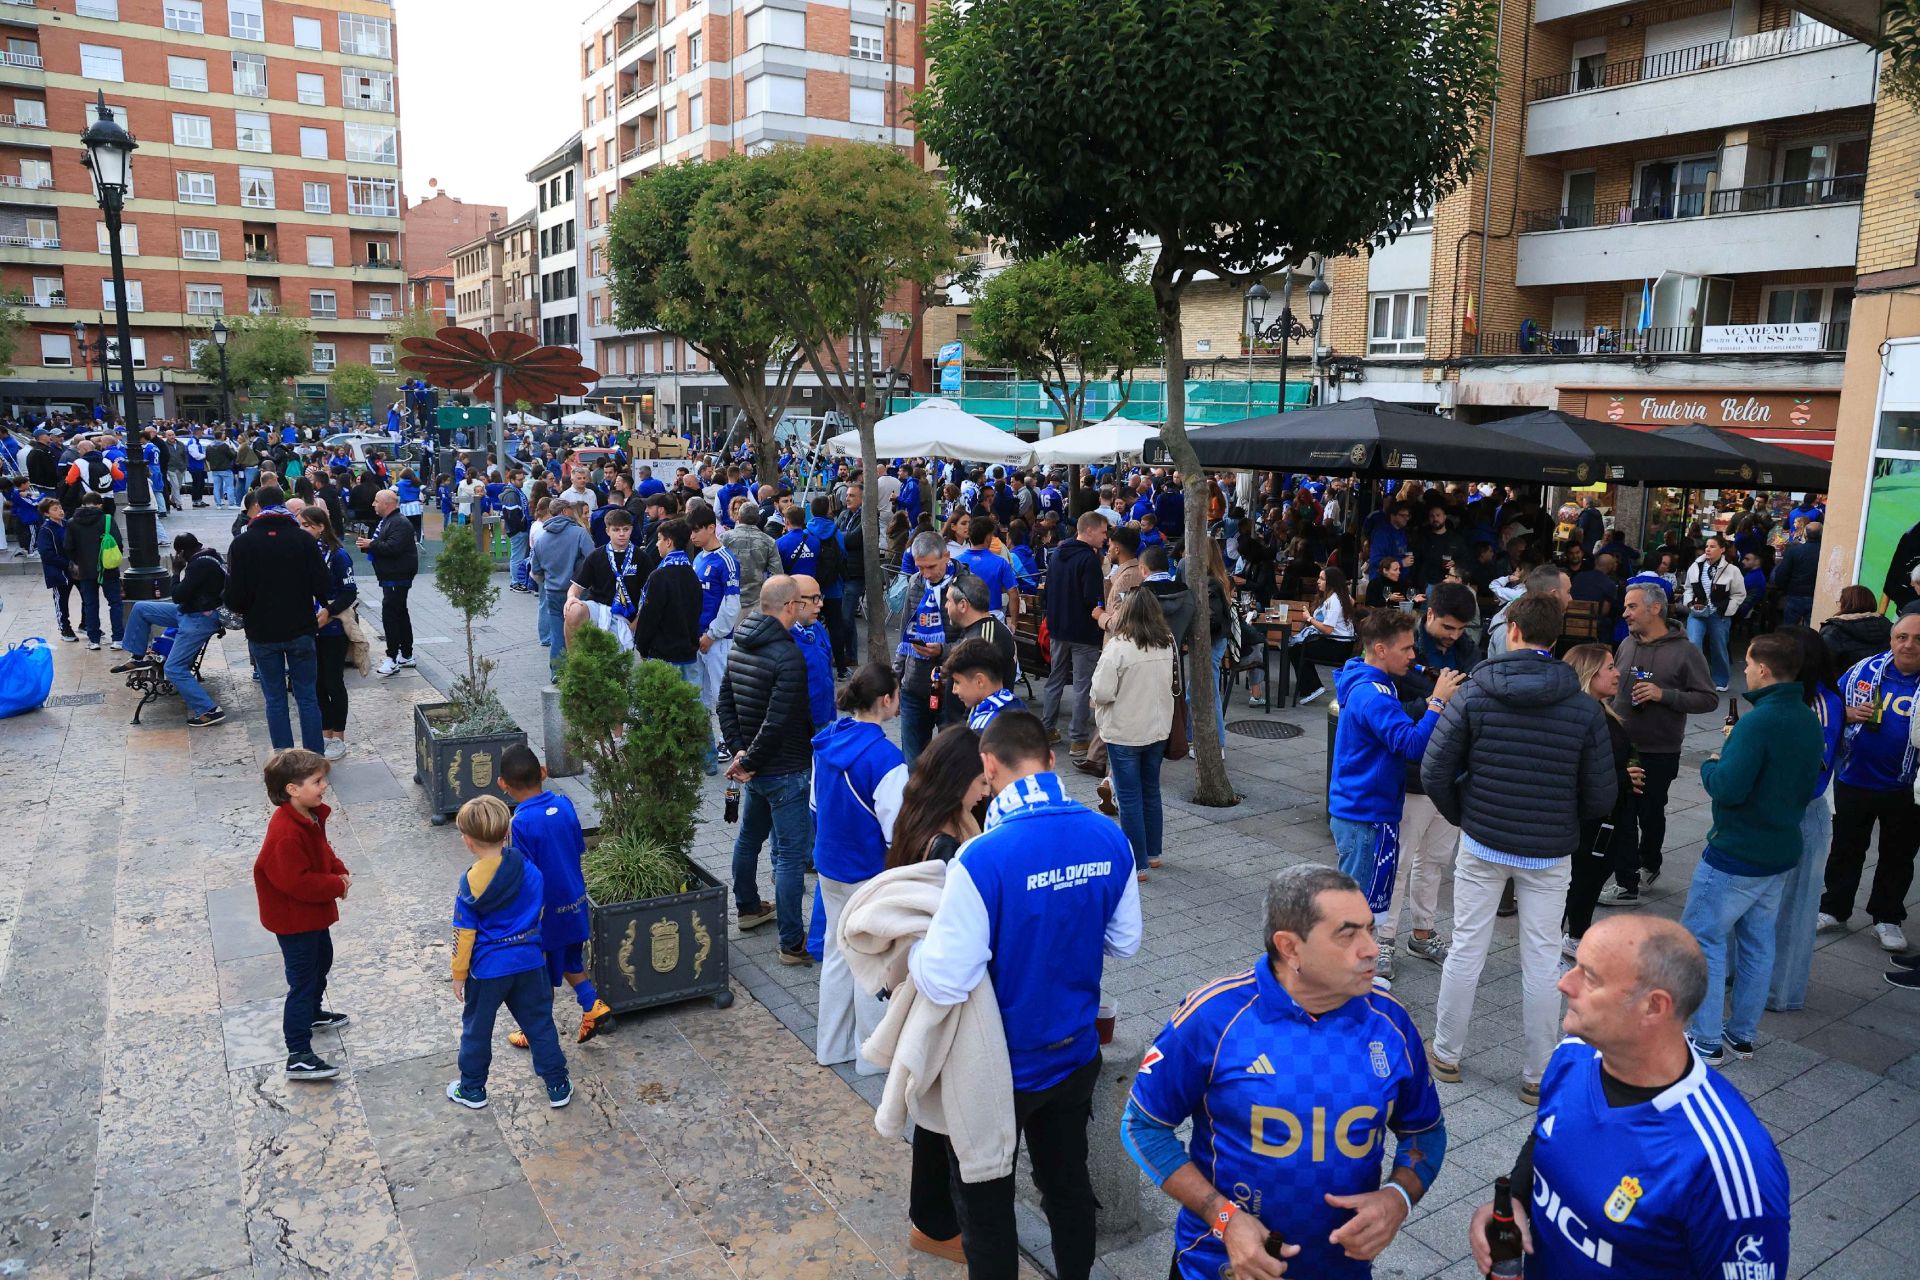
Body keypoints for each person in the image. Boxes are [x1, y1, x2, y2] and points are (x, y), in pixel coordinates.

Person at [1122, 864, 1446, 1280]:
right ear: (1290, 947)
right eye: (1348, 934)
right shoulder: (1213, 1018)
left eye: (1370, 928)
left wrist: (1398, 1197)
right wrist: (1225, 1219)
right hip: (1218, 1269)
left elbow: (1426, 1131)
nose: (1371, 948)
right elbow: (1143, 1127)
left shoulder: (1392, 1023)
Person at [908, 711, 1140, 1280]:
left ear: (989, 768)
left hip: (996, 1071)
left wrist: (914, 950)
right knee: (1067, 1188)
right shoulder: (1110, 836)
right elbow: (1126, 942)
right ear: (1052, 760)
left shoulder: (982, 858)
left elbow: (944, 978)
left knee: (986, 1206)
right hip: (1076, 1055)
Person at [1466, 916, 1789, 1280]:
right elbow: (1546, 1134)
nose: (1563, 984)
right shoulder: (1574, 1054)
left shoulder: (1725, 1163)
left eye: (1589, 977)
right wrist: (1517, 1199)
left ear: (1654, 1006)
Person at [1423, 594, 1616, 1101]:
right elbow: (1601, 795)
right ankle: (1536, 1075)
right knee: (1543, 958)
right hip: (1550, 851)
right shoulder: (1583, 708)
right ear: (1557, 641)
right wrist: (1561, 820)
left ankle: (1446, 1053)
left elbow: (1435, 769)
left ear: (1512, 630)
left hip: (1484, 840)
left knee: (1466, 946)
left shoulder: (1474, 693)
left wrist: (1467, 816)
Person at [1677, 632, 1823, 1064]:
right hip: (1778, 850)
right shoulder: (1805, 716)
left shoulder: (1759, 722)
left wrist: (1712, 763)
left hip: (1737, 852)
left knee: (1703, 940)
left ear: (1762, 668)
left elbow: (1729, 787)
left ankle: (1705, 1040)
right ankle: (1741, 1035)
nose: (1744, 669)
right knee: (1758, 943)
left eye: (1749, 663)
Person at [1329, 608, 1465, 974]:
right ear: (1379, 649)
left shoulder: (1375, 681)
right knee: (1359, 905)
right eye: (1405, 649)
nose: (1413, 656)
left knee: (1367, 899)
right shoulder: (1374, 694)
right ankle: (1347, 976)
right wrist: (1437, 702)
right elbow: (1411, 745)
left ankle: (1357, 969)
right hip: (1365, 814)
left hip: (1370, 810)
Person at [810, 663, 909, 1074]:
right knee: (874, 961)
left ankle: (830, 1047)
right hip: (867, 872)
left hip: (829, 866)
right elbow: (896, 830)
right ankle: (872, 1057)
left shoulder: (826, 739)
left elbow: (815, 806)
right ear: (886, 700)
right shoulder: (887, 757)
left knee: (836, 952)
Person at [446, 795, 573, 1111]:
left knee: (477, 1030)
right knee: (540, 1025)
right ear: (506, 834)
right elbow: (540, 911)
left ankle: (472, 1089)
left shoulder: (469, 883)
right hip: (530, 963)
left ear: (468, 841)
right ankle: (557, 1085)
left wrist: (458, 974)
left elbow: (464, 935)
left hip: (488, 970)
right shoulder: (530, 871)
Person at [1380, 582, 1481, 972]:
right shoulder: (1406, 651)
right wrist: (1434, 701)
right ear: (1431, 615)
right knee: (1400, 861)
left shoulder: (1468, 652)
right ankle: (1383, 938)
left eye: (1461, 629)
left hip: (1452, 773)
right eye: (1449, 627)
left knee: (1436, 860)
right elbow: (1390, 713)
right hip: (1413, 773)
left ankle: (1422, 933)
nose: (1455, 636)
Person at [1601, 582, 1716, 905]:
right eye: (1625, 606)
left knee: (1650, 814)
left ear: (1655, 609)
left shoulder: (1685, 651)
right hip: (1622, 746)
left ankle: (1649, 862)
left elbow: (1707, 699)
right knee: (1622, 812)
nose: (1625, 613)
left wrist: (1663, 695)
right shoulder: (1625, 643)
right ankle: (1627, 881)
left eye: (1632, 607)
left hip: (1659, 750)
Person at [719, 575, 815, 962]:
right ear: (790, 606)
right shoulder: (788, 655)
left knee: (748, 839)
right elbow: (777, 722)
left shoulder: (739, 643)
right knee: (790, 857)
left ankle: (747, 908)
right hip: (785, 770)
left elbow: (724, 703)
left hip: (755, 771)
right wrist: (750, 761)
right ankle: (792, 943)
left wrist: (742, 756)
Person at [496, 745, 613, 1046]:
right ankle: (593, 1006)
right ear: (544, 772)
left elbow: (525, 875)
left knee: (540, 975)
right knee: (571, 957)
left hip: (546, 912)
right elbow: (578, 847)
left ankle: (535, 1030)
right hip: (574, 900)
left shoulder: (519, 823)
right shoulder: (565, 804)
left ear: (503, 785)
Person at [1819, 611, 1920, 951]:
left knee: (1898, 856)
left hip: (1906, 788)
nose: (1908, 645)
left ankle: (1887, 917)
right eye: (1902, 637)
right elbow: (1831, 703)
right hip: (1855, 777)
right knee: (1846, 848)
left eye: (1918, 639)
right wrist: (1845, 713)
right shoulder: (1865, 670)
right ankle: (1834, 907)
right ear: (1891, 640)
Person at [253, 748, 352, 1082]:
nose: (324, 786)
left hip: (310, 916)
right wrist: (334, 885)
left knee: (322, 960)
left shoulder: (307, 815)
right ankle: (298, 1053)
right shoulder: (286, 833)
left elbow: (323, 849)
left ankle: (312, 1012)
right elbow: (297, 882)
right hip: (294, 919)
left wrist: (337, 869)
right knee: (302, 979)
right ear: (292, 789)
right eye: (317, 781)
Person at [1767, 627, 1843, 1009]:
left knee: (1794, 909)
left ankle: (1781, 990)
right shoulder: (1787, 699)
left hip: (1800, 815)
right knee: (1760, 903)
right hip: (1773, 813)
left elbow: (1814, 774)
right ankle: (1745, 975)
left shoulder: (1823, 703)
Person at [225, 484, 331, 754]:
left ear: (257, 507)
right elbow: (324, 586)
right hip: (300, 628)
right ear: (283, 505)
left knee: (274, 700)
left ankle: (284, 758)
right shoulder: (303, 539)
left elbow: (234, 598)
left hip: (262, 631)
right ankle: (314, 756)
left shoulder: (242, 543)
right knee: (307, 697)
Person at [1559, 644, 1644, 961]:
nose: (1618, 672)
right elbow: (1580, 771)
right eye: (1609, 667)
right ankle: (1570, 936)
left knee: (1590, 876)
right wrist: (1623, 776)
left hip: (1609, 813)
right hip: (1593, 819)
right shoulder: (1584, 714)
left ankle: (1576, 933)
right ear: (1588, 673)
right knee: (1583, 877)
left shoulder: (1599, 709)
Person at [1090, 588, 1175, 879]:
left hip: (1125, 731)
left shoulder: (1118, 647)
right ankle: (1153, 854)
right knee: (1151, 790)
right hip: (1158, 728)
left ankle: (1136, 862)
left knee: (1128, 797)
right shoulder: (1167, 643)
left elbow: (1101, 691)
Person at [112, 532, 230, 727]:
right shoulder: (209, 555)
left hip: (199, 619)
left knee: (174, 668)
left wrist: (176, 572)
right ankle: (137, 657)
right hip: (189, 612)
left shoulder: (200, 565)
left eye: (178, 554)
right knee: (141, 608)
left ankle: (209, 710)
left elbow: (177, 595)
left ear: (181, 552)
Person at [1041, 511, 1109, 758]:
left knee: (1055, 678)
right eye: (1103, 532)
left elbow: (1047, 590)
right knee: (1082, 684)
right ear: (1088, 530)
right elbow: (1092, 599)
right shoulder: (1088, 559)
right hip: (1082, 630)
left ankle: (1047, 728)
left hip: (1058, 627)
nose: (1105, 537)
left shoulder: (1058, 553)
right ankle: (1078, 739)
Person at [896, 531, 967, 766]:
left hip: (951, 687)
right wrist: (896, 679)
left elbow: (974, 641)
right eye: (920, 567)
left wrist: (943, 651)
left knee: (951, 762)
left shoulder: (966, 585)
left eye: (931, 567)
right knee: (914, 762)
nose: (926, 574)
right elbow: (905, 632)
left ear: (946, 556)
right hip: (914, 686)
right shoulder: (916, 582)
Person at [297, 508, 357, 758]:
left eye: (307, 525)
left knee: (333, 682)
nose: (302, 529)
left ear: (321, 526)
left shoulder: (338, 555)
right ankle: (324, 734)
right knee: (317, 684)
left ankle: (339, 738)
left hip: (332, 628)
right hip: (310, 629)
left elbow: (349, 592)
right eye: (299, 524)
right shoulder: (302, 553)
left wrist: (329, 611)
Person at [690, 505, 742, 769]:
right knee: (700, 693)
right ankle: (703, 741)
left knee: (723, 692)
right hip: (698, 638)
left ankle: (728, 740)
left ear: (712, 528)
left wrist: (712, 634)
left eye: (697, 530)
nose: (693, 535)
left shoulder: (727, 561)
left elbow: (731, 605)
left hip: (718, 641)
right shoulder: (698, 558)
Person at [564, 507, 645, 653]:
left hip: (625, 616)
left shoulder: (642, 557)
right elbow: (576, 588)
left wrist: (634, 626)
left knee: (616, 667)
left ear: (631, 530)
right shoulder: (596, 555)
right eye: (616, 529)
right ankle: (574, 663)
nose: (621, 534)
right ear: (608, 531)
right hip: (597, 609)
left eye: (625, 529)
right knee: (573, 610)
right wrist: (571, 598)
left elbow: (650, 596)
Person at [355, 490, 418, 678]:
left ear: (387, 504)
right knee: (399, 613)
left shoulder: (399, 522)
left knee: (390, 614)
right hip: (392, 575)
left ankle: (392, 658)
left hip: (397, 575)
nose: (373, 504)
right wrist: (369, 545)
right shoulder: (389, 521)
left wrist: (371, 544)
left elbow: (393, 547)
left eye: (376, 501)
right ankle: (406, 654)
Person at [530, 496, 595, 677]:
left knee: (557, 633)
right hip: (577, 592)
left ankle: (558, 672)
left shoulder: (541, 538)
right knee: (580, 632)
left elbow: (535, 569)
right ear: (566, 511)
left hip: (552, 591)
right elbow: (593, 559)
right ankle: (580, 672)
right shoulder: (580, 533)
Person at [1680, 535, 1746, 692]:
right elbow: (1688, 588)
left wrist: (1729, 608)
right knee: (1693, 644)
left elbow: (1739, 593)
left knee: (1719, 646)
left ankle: (1721, 680)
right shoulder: (1695, 567)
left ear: (1722, 550)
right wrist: (1689, 603)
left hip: (1719, 614)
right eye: (1707, 546)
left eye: (1712, 546)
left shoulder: (1732, 570)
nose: (1708, 549)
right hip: (1698, 612)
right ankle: (1693, 680)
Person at [1290, 565, 1357, 705]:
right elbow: (1351, 601)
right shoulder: (1339, 596)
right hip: (1340, 642)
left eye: (1322, 579)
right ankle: (1309, 686)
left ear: (1331, 583)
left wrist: (1309, 618)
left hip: (1338, 646)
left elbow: (1327, 629)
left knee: (1296, 648)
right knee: (1296, 646)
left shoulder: (1334, 600)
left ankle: (1312, 688)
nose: (1318, 581)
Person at [65, 492, 122, 651]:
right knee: (115, 603)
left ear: (83, 504)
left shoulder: (71, 522)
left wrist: (79, 561)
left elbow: (68, 547)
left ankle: (94, 640)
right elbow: (118, 543)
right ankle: (117, 639)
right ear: (100, 504)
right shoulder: (107, 520)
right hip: (107, 568)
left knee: (90, 604)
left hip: (85, 570)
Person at [945, 635, 1026, 733]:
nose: (954, 690)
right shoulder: (1017, 705)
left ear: (979, 681)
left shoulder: (982, 727)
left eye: (957, 682)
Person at [789, 573, 835, 731]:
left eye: (820, 597)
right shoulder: (782, 637)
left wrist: (831, 712)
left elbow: (826, 673)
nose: (821, 603)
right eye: (814, 598)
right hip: (798, 727)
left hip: (822, 720)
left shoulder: (817, 627)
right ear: (794, 602)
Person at [722, 503, 781, 618]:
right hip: (756, 602)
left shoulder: (724, 538)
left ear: (738, 517)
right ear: (758, 519)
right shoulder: (768, 541)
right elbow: (777, 575)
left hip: (728, 602)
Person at [1819, 584, 1891, 672]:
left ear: (1846, 604)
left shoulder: (1833, 630)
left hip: (1844, 683)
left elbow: (1822, 663)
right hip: (1882, 681)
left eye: (1840, 602)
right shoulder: (1889, 626)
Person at [34, 496, 75, 641]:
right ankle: (65, 627)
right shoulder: (46, 530)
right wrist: (66, 564)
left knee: (87, 596)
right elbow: (47, 554)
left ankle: (86, 624)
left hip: (74, 569)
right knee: (61, 600)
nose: (60, 511)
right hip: (59, 571)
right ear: (46, 513)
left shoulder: (67, 524)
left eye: (60, 508)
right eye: (55, 509)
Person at [1771, 519, 1820, 626]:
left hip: (1795, 593)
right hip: (1814, 595)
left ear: (1805, 534)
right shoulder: (1823, 552)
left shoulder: (1795, 550)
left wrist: (1783, 588)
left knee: (1789, 629)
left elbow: (1782, 573)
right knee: (1810, 630)